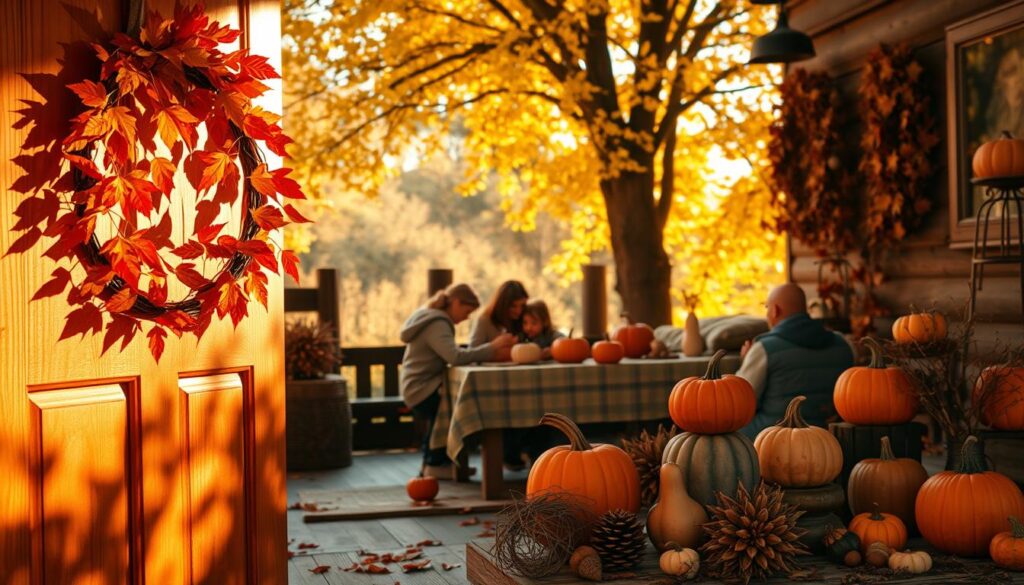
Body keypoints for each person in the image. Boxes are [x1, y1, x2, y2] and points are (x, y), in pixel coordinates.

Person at [400, 283, 516, 478]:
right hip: (421, 389)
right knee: (451, 410)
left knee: (447, 409)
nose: (466, 317)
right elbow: (454, 357)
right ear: (455, 302)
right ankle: (435, 463)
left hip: (417, 386)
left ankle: (439, 462)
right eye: (467, 310)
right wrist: (493, 346)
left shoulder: (429, 317)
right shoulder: (437, 323)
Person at [736, 283, 854, 439]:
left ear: (775, 310)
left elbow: (739, 404)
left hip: (774, 438)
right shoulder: (843, 344)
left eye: (767, 308)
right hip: (828, 437)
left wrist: (746, 360)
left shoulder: (763, 349)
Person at [469, 280, 529, 361]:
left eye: (522, 306)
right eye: (513, 306)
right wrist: (495, 345)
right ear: (502, 304)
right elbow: (472, 353)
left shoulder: (526, 319)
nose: (518, 311)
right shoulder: (485, 320)